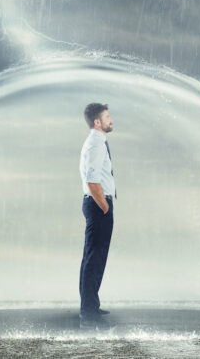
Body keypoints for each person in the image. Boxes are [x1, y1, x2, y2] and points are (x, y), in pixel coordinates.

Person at [79, 102, 116, 327]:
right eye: (107, 117)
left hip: (97, 204)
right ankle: (88, 310)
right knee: (94, 259)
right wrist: (105, 207)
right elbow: (92, 181)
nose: (111, 120)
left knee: (95, 258)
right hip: (97, 205)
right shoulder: (96, 144)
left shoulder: (98, 142)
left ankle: (91, 305)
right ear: (97, 122)